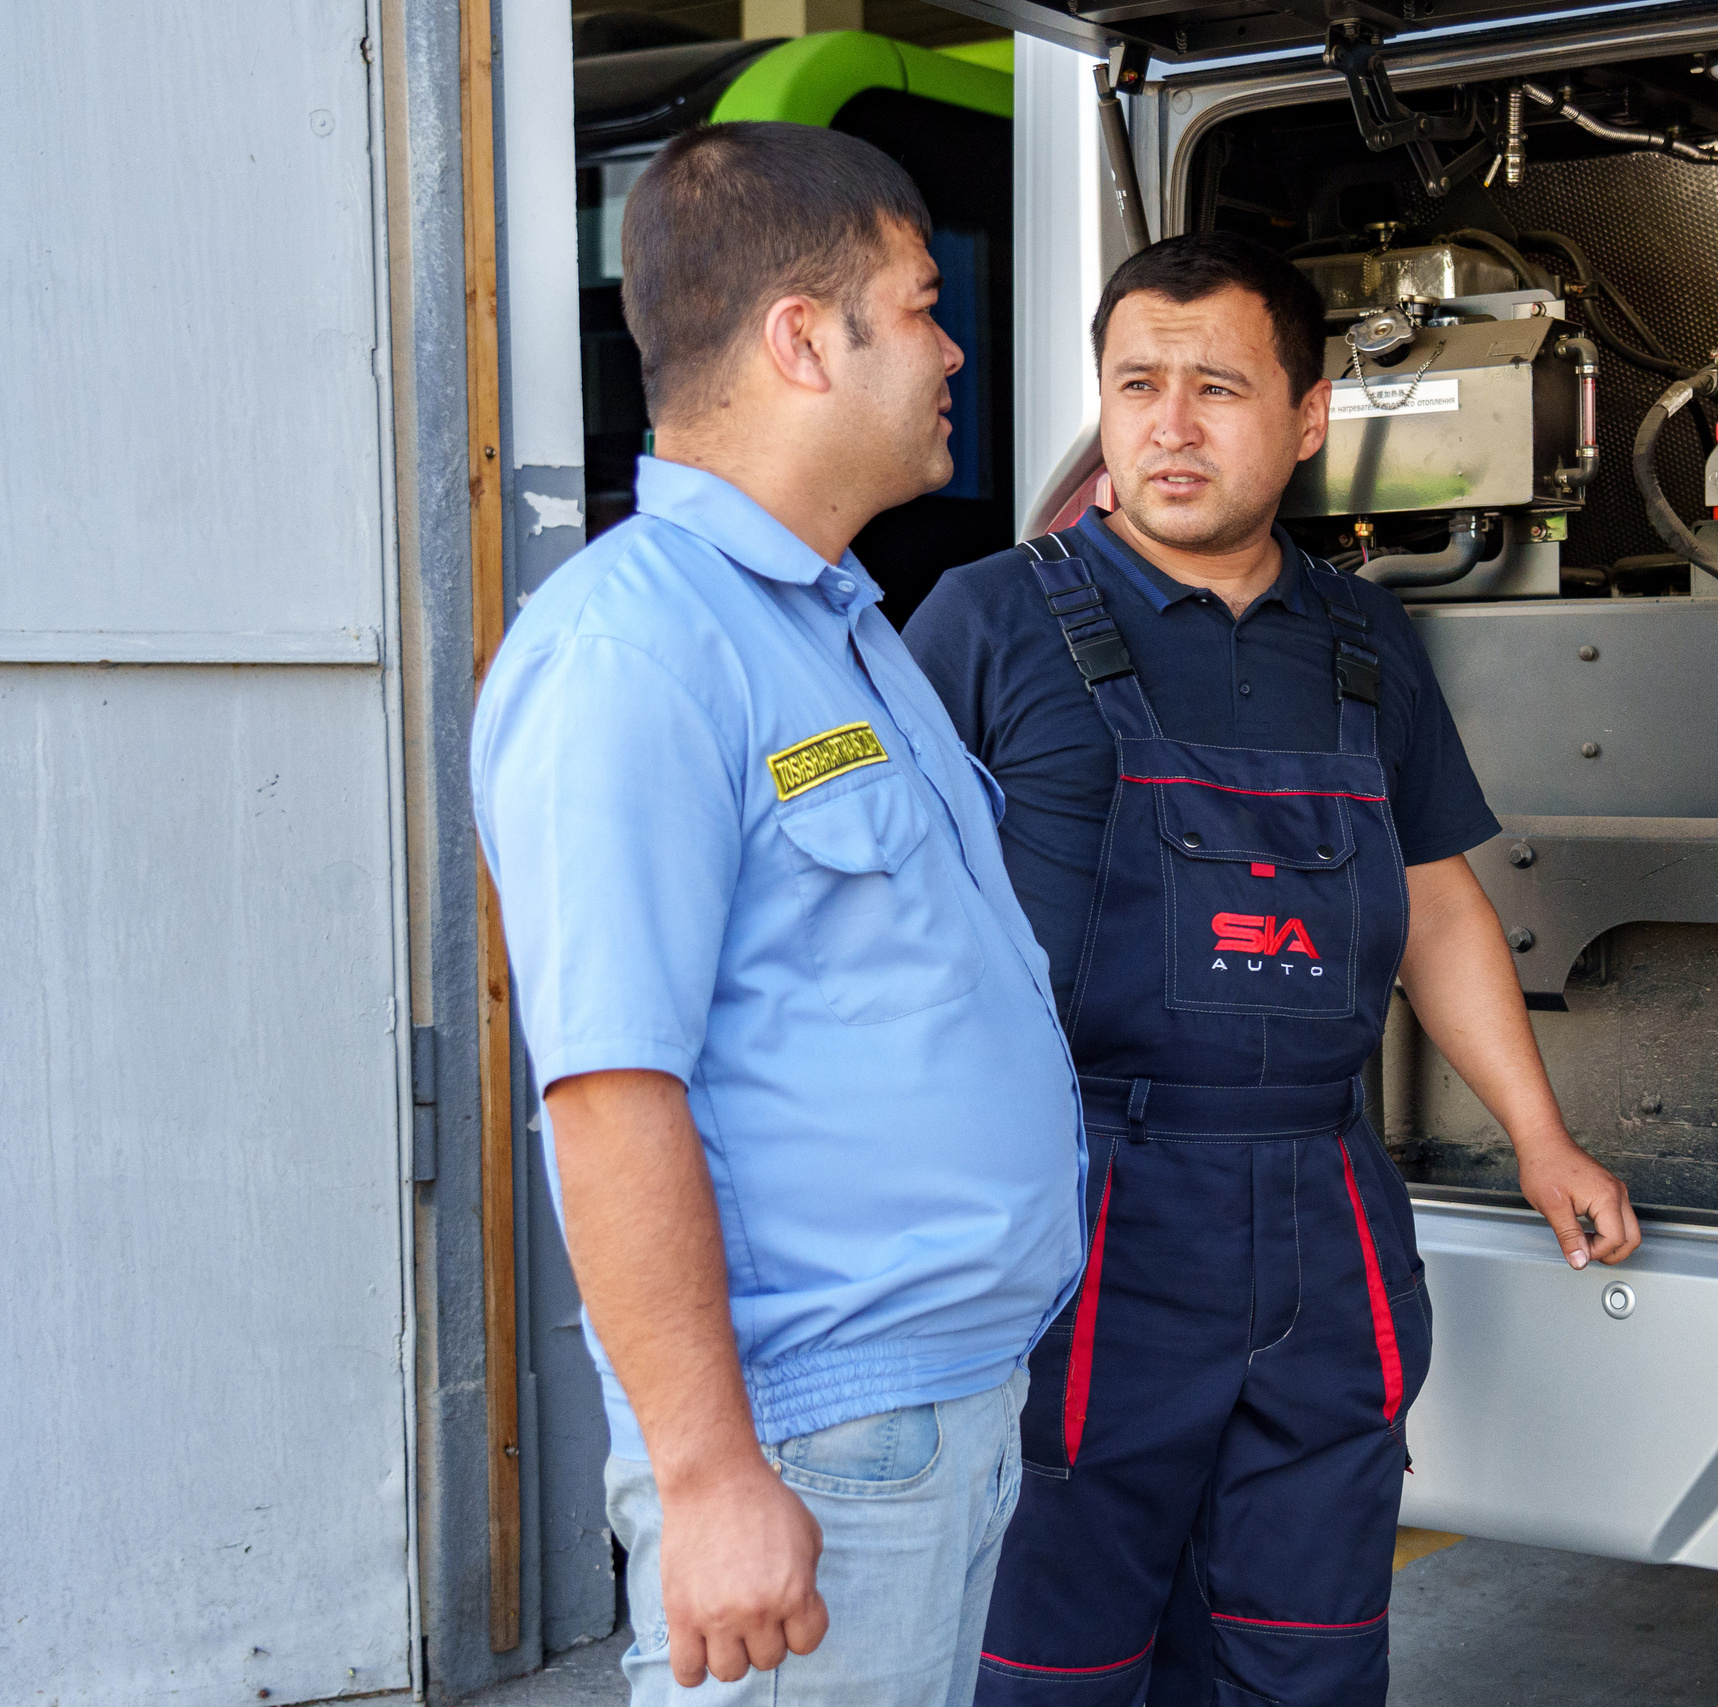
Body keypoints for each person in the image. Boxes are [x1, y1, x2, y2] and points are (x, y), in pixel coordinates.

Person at [905, 232, 1641, 1707]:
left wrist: (1541, 1136)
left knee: (1306, 1659)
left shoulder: (1364, 643)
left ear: (1309, 420)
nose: (1170, 427)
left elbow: (1437, 909)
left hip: (1321, 1206)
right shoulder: (984, 623)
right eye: (1137, 385)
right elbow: (878, 925)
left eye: (1218, 388)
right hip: (1080, 1212)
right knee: (1051, 1663)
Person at [471, 123, 1085, 1707]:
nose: (957, 346)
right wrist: (709, 1478)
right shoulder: (634, 651)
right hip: (811, 1441)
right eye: (925, 301)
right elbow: (609, 1093)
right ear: (805, 338)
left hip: (930, 1419)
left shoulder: (835, 625)